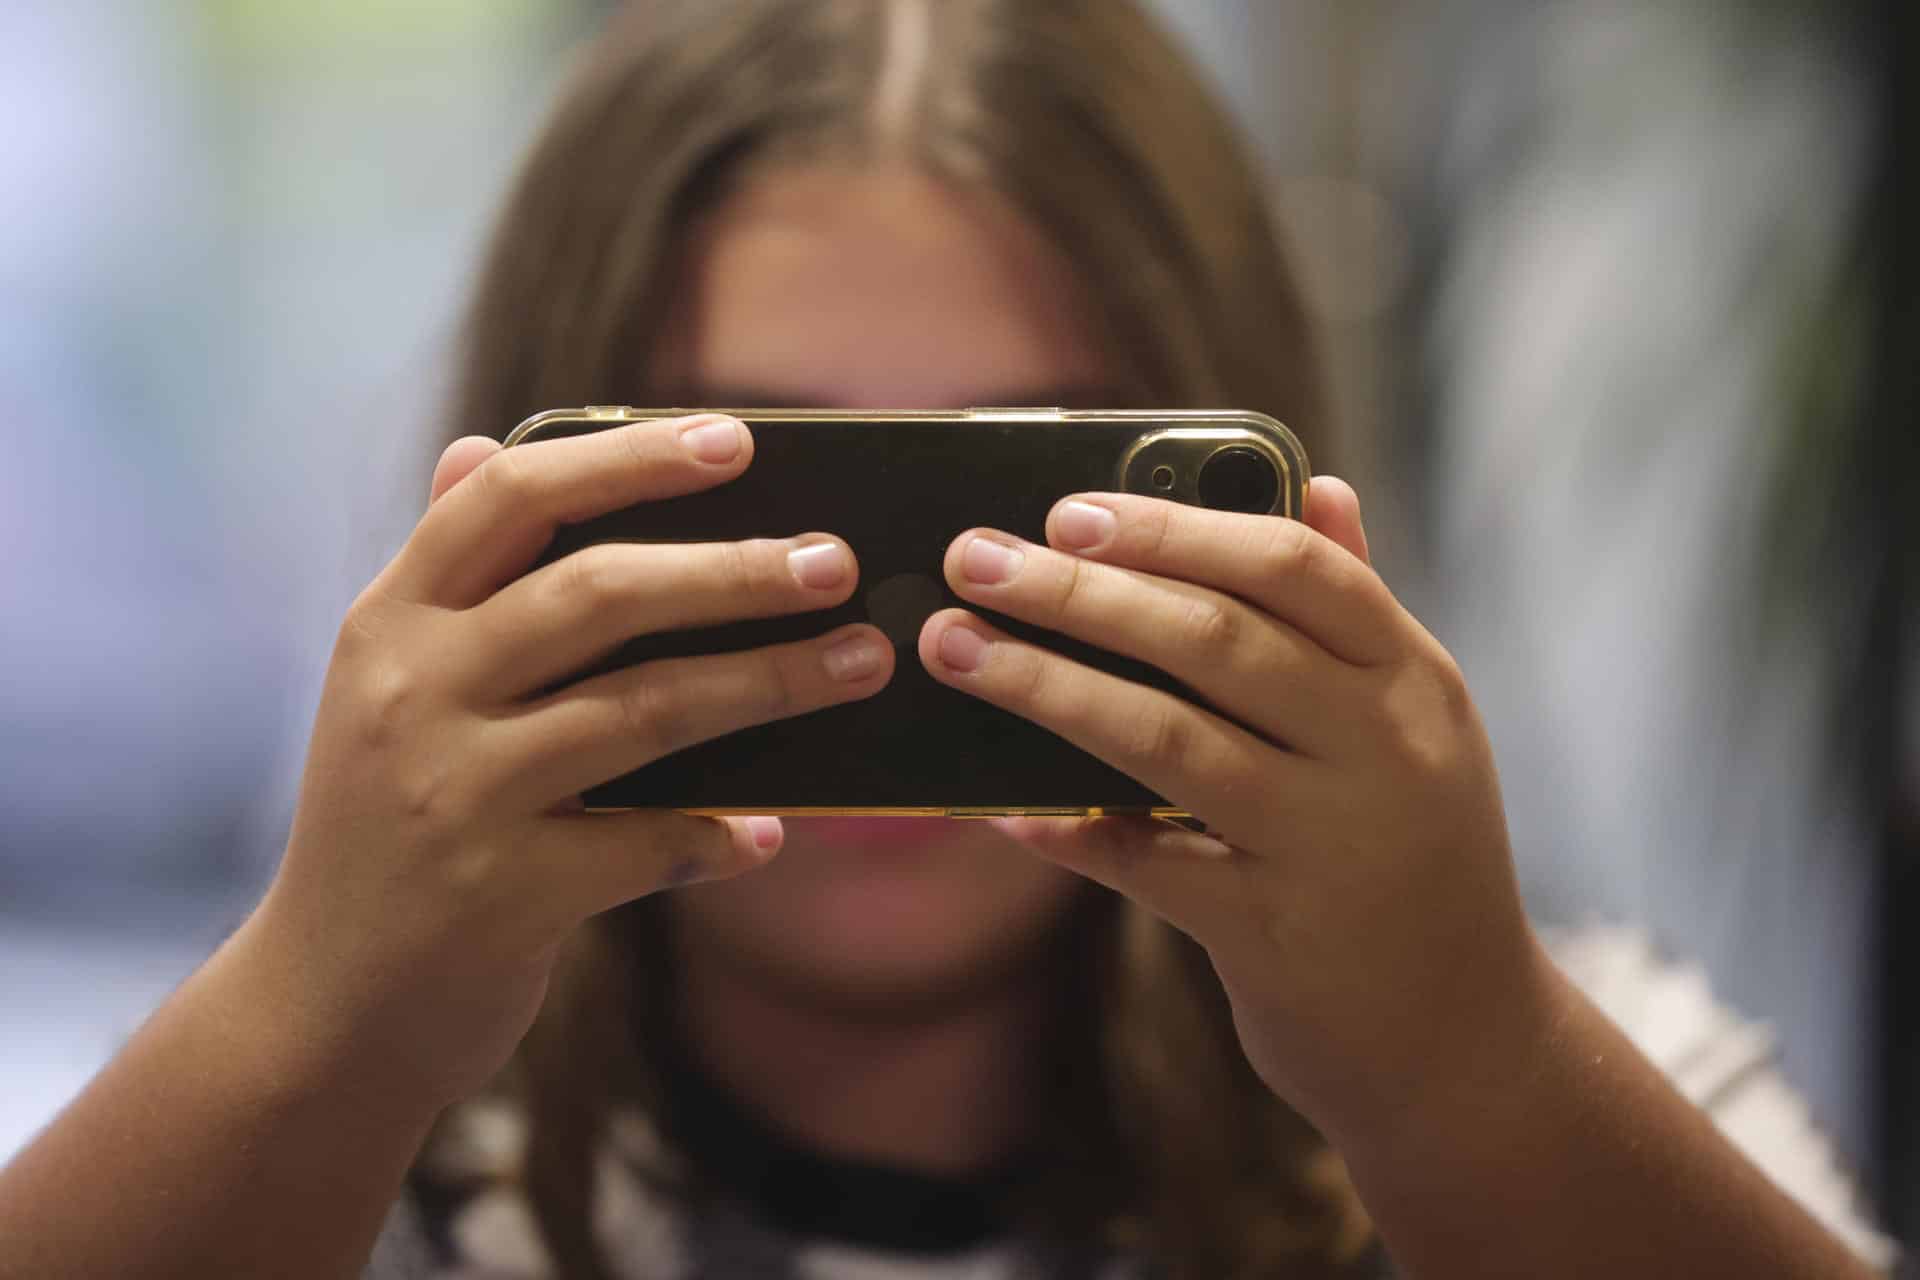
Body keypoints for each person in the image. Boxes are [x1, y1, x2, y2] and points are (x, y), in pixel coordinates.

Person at [0, 2, 1889, 1277]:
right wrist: (317, 1034)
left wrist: (1464, 1070)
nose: (894, 640)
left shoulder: (1569, 1081)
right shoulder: (328, 1133)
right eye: (757, 504)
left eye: (1034, 506)